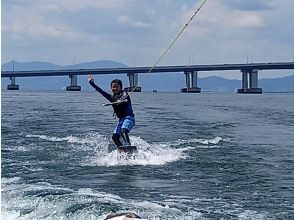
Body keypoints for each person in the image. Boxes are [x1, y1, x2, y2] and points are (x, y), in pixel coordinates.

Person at [88, 75, 135, 148]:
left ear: (121, 87)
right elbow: (101, 91)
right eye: (113, 87)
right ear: (111, 88)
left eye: (117, 87)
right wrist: (91, 83)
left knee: (123, 131)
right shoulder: (111, 98)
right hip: (121, 120)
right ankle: (121, 149)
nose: (115, 88)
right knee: (115, 137)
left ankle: (128, 145)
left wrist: (121, 100)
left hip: (129, 118)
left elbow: (124, 96)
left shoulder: (124, 94)